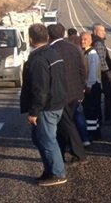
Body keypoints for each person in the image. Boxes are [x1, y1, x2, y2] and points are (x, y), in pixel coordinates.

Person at [20, 23, 68, 186]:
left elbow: (40, 89)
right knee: (39, 138)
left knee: (47, 140)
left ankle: (58, 173)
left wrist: (34, 111)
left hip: (47, 107)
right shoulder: (53, 53)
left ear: (31, 39)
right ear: (47, 37)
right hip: (56, 102)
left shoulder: (39, 59)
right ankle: (50, 170)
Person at [48, 23, 88, 164]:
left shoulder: (51, 50)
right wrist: (82, 89)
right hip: (75, 93)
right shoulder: (74, 48)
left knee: (67, 124)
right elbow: (82, 70)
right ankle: (61, 150)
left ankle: (79, 154)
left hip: (61, 94)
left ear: (49, 36)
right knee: (64, 124)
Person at [92, 23, 111, 125]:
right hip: (102, 74)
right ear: (96, 32)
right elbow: (101, 60)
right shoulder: (98, 43)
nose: (104, 33)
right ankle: (109, 117)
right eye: (102, 31)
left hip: (98, 73)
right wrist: (108, 73)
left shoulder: (96, 41)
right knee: (110, 95)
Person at [81, 31, 102, 142]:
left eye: (85, 39)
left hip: (93, 86)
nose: (82, 41)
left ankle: (92, 133)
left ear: (90, 41)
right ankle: (95, 132)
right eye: (82, 39)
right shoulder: (85, 52)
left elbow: (92, 71)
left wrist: (89, 85)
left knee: (91, 111)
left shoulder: (91, 53)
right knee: (92, 110)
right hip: (91, 85)